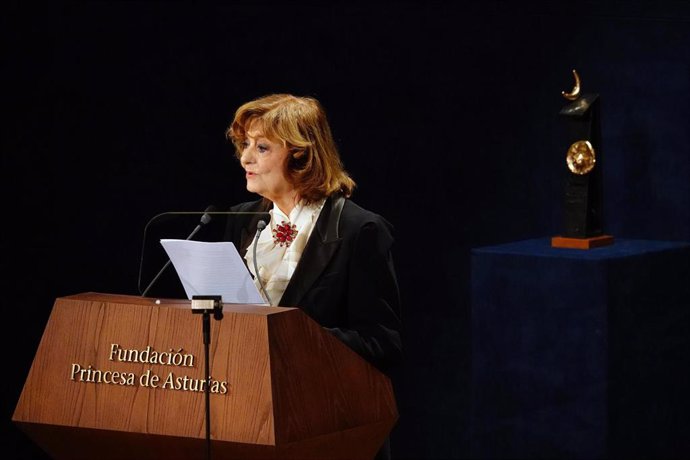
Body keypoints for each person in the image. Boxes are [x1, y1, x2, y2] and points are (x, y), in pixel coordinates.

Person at [222, 93, 402, 459]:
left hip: (328, 427)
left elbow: (382, 344)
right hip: (248, 419)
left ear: (300, 155)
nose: (245, 158)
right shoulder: (241, 219)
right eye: (245, 145)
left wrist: (295, 339)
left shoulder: (359, 230)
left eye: (262, 147)